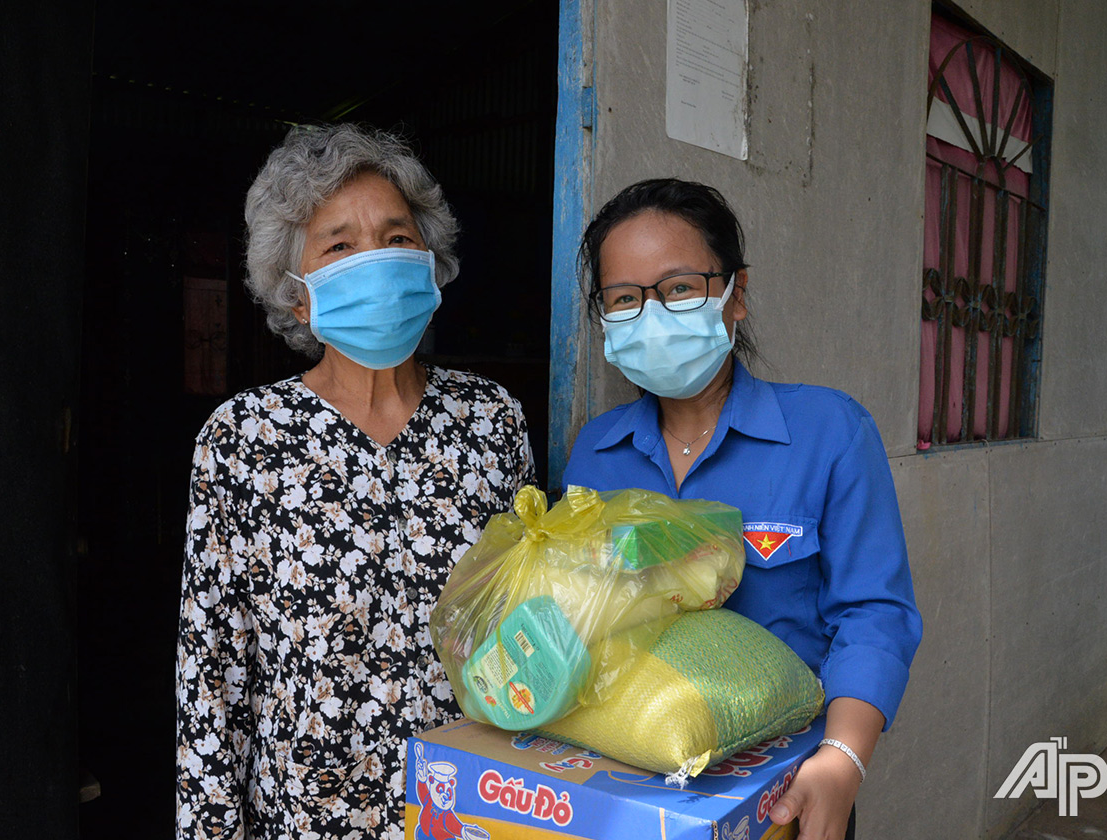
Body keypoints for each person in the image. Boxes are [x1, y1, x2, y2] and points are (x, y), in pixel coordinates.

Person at [176, 124, 536, 840]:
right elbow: (212, 678)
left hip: (477, 813)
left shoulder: (491, 420)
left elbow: (533, 628)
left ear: (429, 264)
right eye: (340, 244)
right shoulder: (245, 439)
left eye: (397, 238)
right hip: (309, 820)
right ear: (298, 295)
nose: (375, 259)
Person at [563, 178, 922, 840]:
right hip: (627, 788)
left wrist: (843, 760)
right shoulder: (596, 453)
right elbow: (582, 612)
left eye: (676, 288)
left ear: (736, 296)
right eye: (624, 299)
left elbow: (875, 613)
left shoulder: (829, 432)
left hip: (787, 791)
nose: (651, 314)